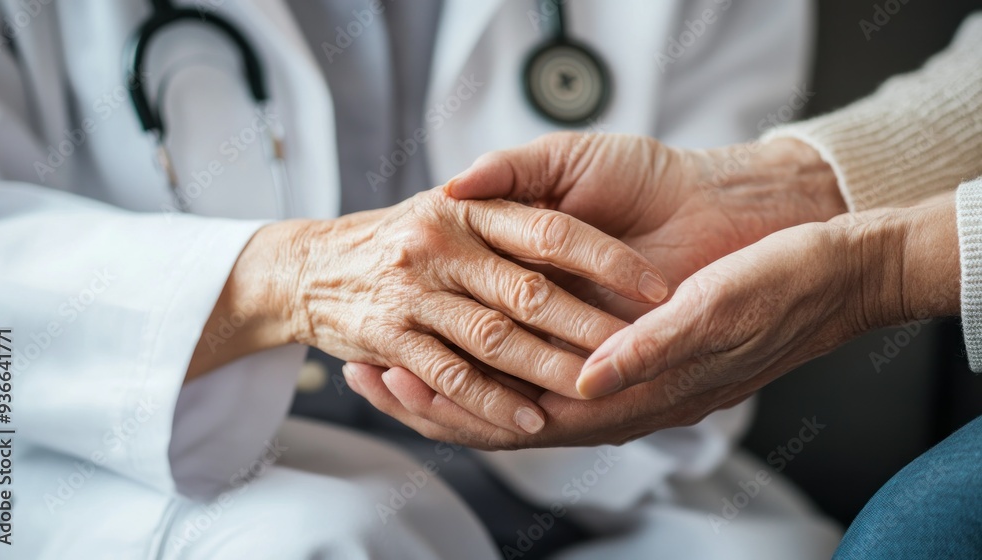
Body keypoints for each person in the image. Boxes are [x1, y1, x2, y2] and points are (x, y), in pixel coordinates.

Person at [0, 1, 840, 558]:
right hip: (127, 463)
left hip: (595, 472)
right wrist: (290, 278)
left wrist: (646, 325)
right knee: (330, 545)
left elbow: (720, 234)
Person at [346, 11, 982, 559]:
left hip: (629, 483)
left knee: (918, 531)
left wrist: (890, 268)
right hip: (291, 463)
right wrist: (783, 187)